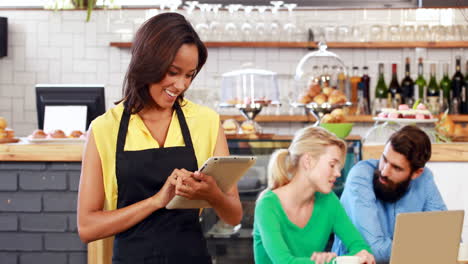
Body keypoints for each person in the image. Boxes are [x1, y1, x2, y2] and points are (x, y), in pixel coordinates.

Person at [76, 12, 242, 264]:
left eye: (189, 75)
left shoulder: (207, 122)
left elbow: (234, 216)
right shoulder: (104, 129)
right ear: (147, 63)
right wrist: (156, 201)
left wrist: (213, 195)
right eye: (173, 72)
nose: (181, 85)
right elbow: (87, 228)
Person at [253, 126, 375, 264]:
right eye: (332, 165)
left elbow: (360, 247)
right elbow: (284, 262)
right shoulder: (268, 205)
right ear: (308, 161)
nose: (338, 174)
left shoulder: (329, 201)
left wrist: (359, 256)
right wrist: (333, 262)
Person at [332, 125, 446, 262]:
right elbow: (375, 251)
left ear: (416, 173)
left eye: (396, 168)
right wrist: (427, 249)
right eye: (384, 159)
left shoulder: (424, 178)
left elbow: (444, 237)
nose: (384, 171)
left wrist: (435, 247)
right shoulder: (360, 176)